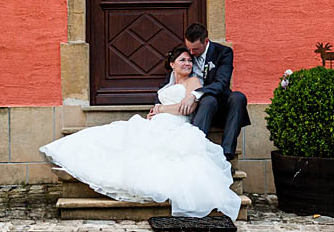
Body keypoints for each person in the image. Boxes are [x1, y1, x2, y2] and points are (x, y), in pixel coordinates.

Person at [39, 45, 241, 219]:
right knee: (118, 134)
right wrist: (156, 111)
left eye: (189, 60)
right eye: (182, 60)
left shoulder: (194, 82)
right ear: (172, 64)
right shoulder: (168, 83)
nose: (188, 63)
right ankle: (70, 151)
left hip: (176, 124)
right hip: (157, 121)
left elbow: (186, 107)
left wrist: (161, 109)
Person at [170, 23, 250, 162]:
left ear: (206, 41)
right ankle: (194, 149)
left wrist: (195, 94)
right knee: (208, 100)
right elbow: (172, 78)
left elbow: (222, 84)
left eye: (195, 49)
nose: (191, 53)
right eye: (189, 48)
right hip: (199, 108)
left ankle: (226, 154)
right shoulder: (187, 53)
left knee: (238, 97)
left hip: (218, 105)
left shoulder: (223, 53)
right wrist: (158, 103)